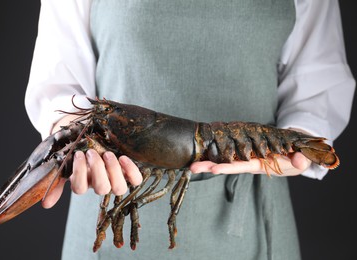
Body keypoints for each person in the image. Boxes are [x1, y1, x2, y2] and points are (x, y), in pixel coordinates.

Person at [25, 0, 355, 259]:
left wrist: (300, 134)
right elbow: (60, 86)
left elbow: (319, 79)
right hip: (104, 194)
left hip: (255, 224)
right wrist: (67, 128)